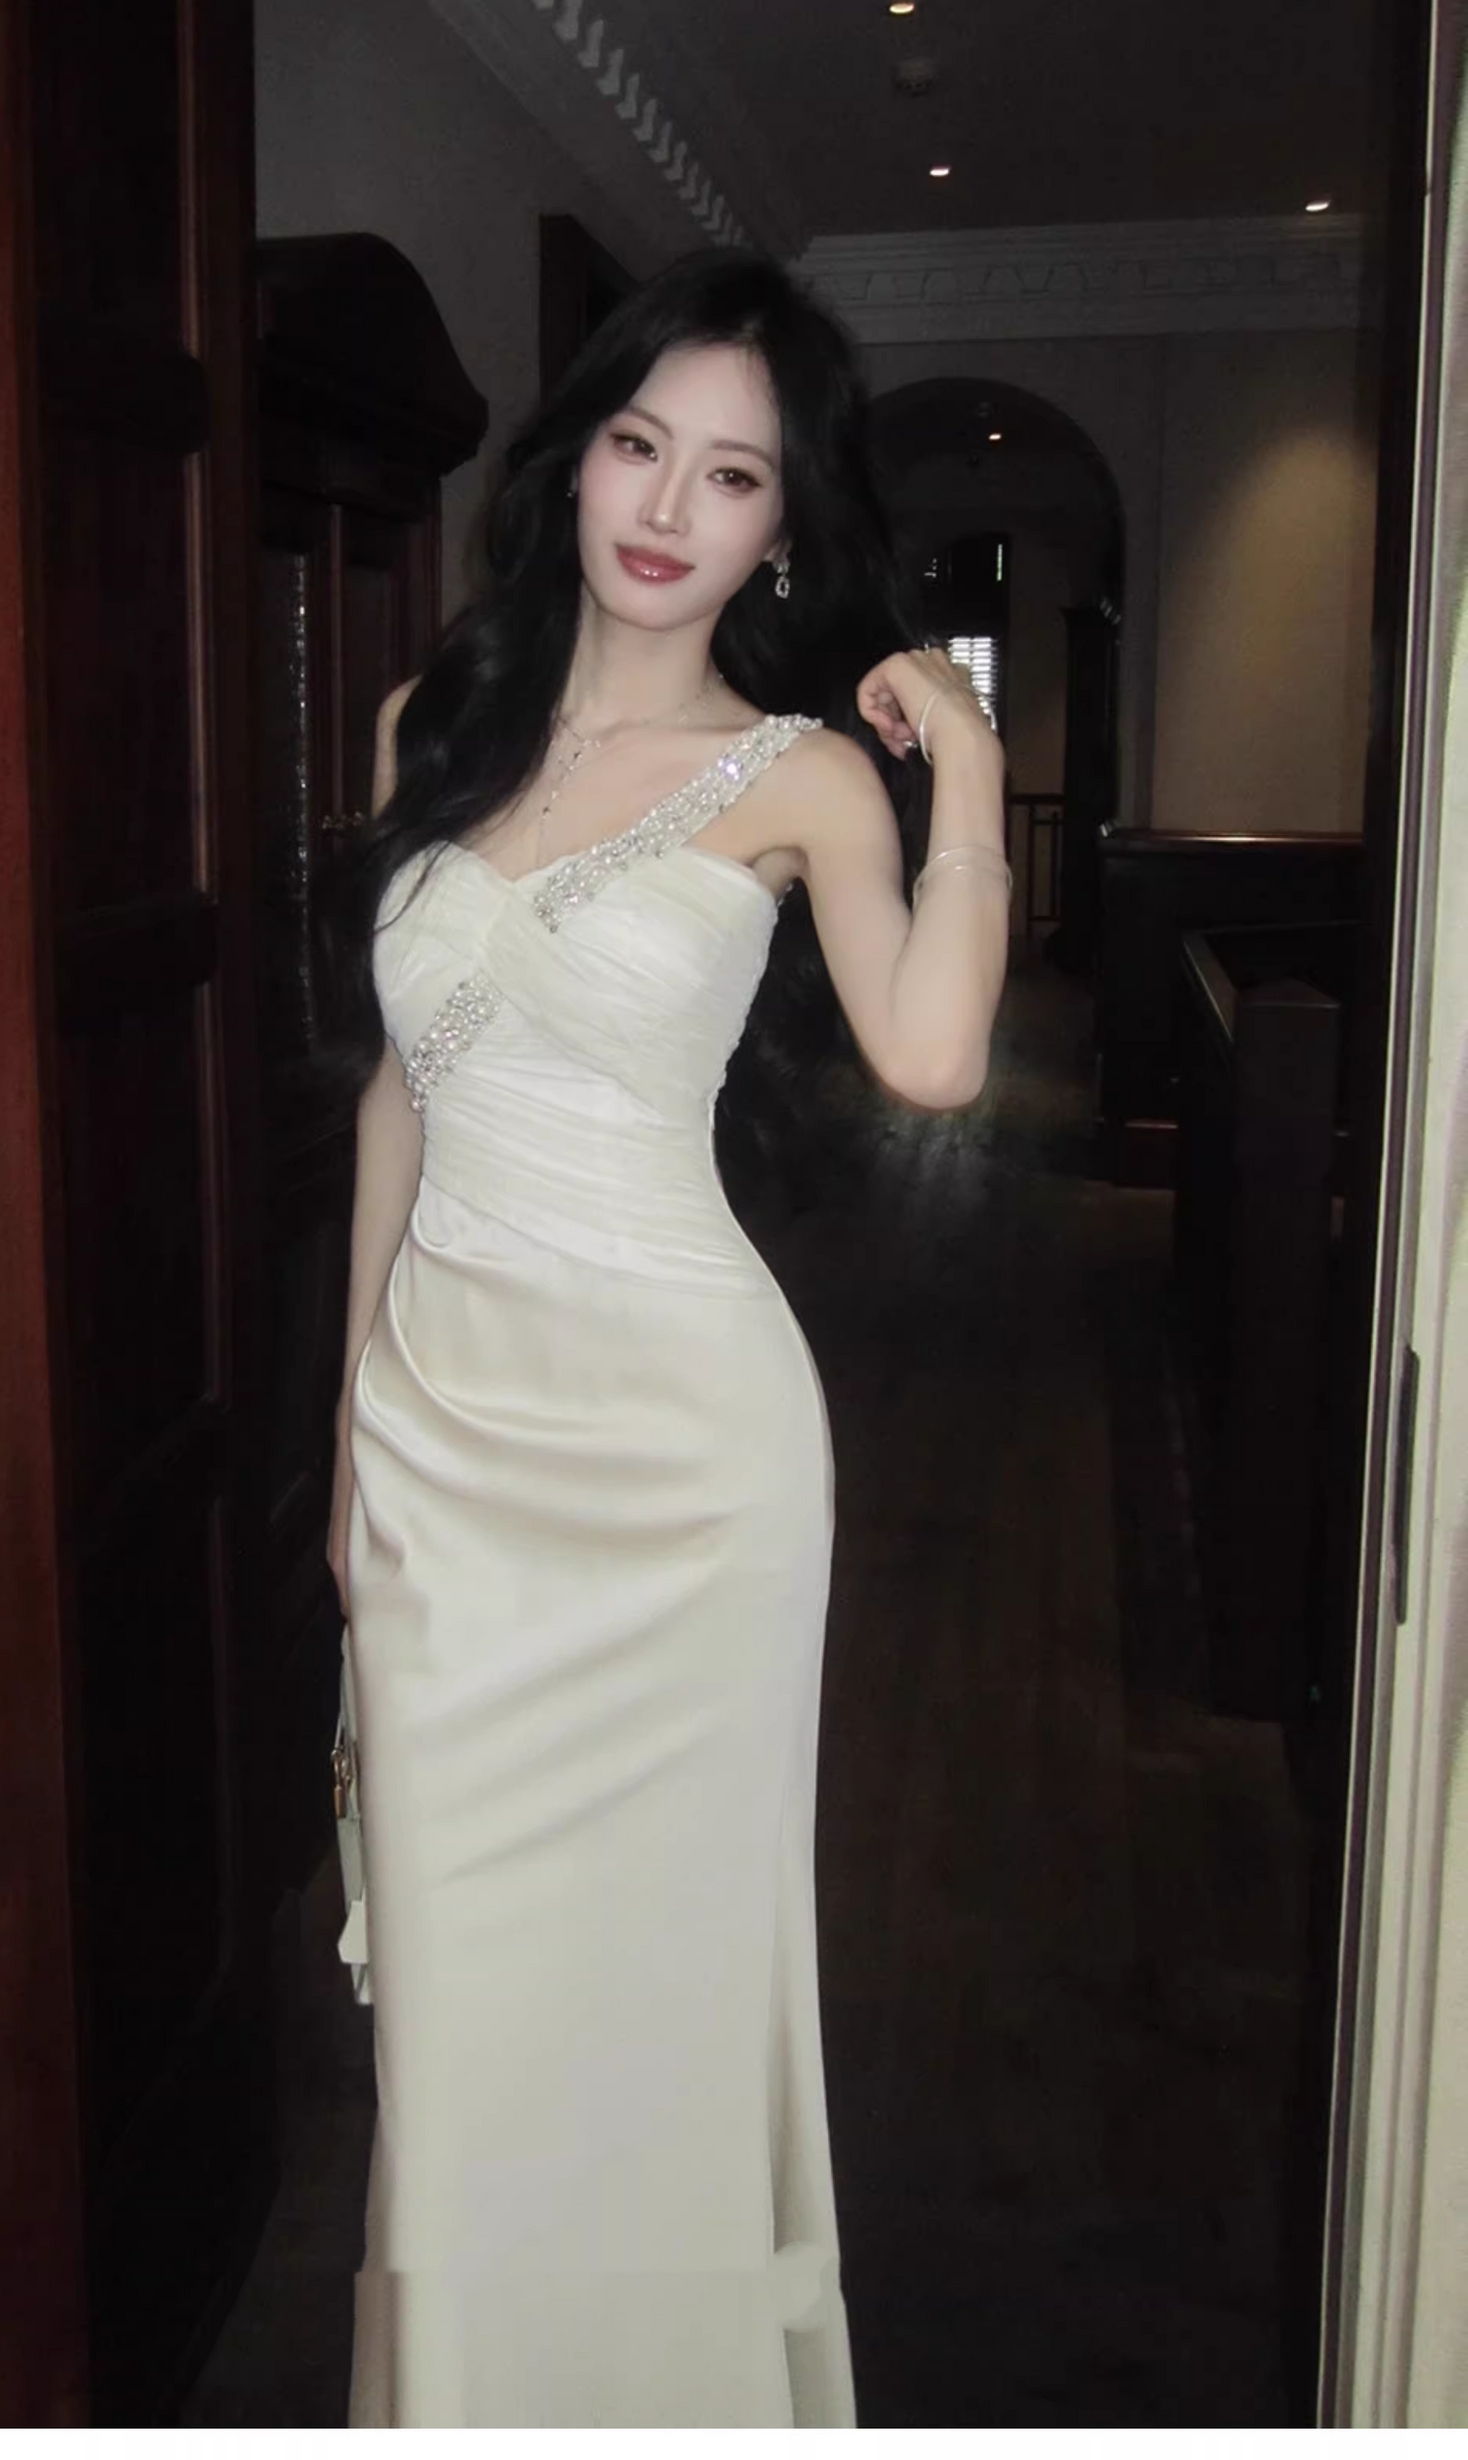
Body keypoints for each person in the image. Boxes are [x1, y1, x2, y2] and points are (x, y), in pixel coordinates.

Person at [321, 248, 1009, 2427]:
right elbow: (401, 1096)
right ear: (579, 458)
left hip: (687, 1473)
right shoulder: (429, 725)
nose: (666, 505)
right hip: (443, 1456)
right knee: (465, 2021)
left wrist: (967, 764)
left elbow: (929, 1058)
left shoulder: (798, 778)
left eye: (731, 475)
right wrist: (347, 1449)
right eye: (640, 444)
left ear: (780, 528)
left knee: (660, 2013)